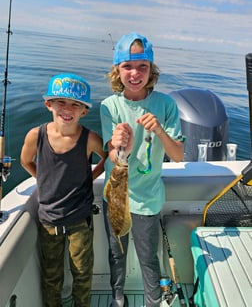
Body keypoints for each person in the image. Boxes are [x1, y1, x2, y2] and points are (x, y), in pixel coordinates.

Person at [100, 32, 184, 307]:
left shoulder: (166, 104)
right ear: (117, 70)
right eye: (127, 67)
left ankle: (152, 301)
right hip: (115, 197)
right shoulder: (109, 106)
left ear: (151, 70)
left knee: (149, 257)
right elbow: (112, 157)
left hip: (147, 200)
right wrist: (119, 146)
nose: (135, 74)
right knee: (116, 254)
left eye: (142, 67)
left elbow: (178, 154)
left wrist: (159, 130)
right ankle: (117, 298)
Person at [21, 73, 107, 307]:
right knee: (52, 276)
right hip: (48, 220)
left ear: (84, 111)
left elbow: (108, 158)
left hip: (80, 218)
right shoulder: (35, 135)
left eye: (75, 104)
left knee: (82, 273)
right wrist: (44, 178)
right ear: (48, 104)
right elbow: (25, 161)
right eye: (61, 102)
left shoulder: (90, 138)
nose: (67, 109)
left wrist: (91, 177)